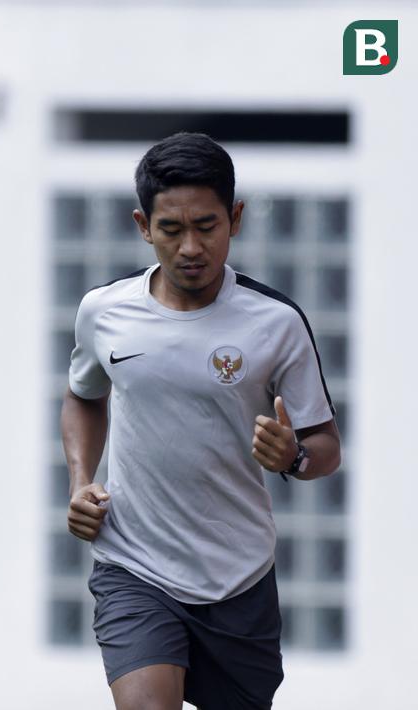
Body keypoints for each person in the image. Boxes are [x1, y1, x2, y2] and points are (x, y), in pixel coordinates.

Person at [63, 132, 341, 710]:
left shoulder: (277, 323)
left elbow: (325, 447)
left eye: (207, 226)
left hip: (238, 575)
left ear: (235, 218)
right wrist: (80, 480)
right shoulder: (105, 312)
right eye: (171, 229)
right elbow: (83, 397)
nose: (191, 246)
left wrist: (292, 456)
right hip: (133, 561)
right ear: (143, 225)